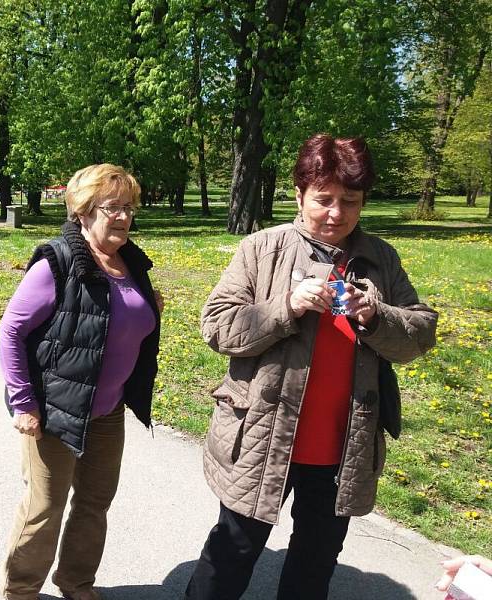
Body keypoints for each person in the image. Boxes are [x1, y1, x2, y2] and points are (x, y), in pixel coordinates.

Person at [184, 134, 438, 599]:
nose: (336, 213)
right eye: (323, 199)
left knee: (315, 562)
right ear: (300, 195)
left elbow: (420, 333)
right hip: (262, 436)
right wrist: (285, 307)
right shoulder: (263, 248)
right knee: (231, 554)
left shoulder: (380, 259)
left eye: (350, 201)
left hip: (342, 447)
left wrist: (374, 315)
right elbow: (217, 326)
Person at [0, 164, 162, 600]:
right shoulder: (59, 261)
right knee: (44, 510)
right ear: (83, 212)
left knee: (94, 505)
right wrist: (23, 402)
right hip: (55, 410)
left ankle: (76, 582)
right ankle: (20, 591)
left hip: (107, 411)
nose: (124, 217)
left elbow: (125, 321)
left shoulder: (132, 263)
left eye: (129, 208)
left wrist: (150, 308)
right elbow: (11, 330)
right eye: (112, 208)